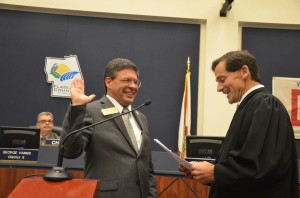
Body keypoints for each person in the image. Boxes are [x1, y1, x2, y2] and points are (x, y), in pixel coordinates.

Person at [180, 50, 299, 198]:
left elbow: (261, 167)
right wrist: (207, 173)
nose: (218, 88)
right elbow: (241, 167)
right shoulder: (250, 106)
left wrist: (215, 172)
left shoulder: (266, 105)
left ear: (244, 72)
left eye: (222, 79)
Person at [60, 58, 157, 198]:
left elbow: (147, 167)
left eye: (136, 82)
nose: (133, 86)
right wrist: (77, 108)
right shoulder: (91, 111)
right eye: (127, 80)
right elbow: (69, 151)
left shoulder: (141, 118)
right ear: (108, 82)